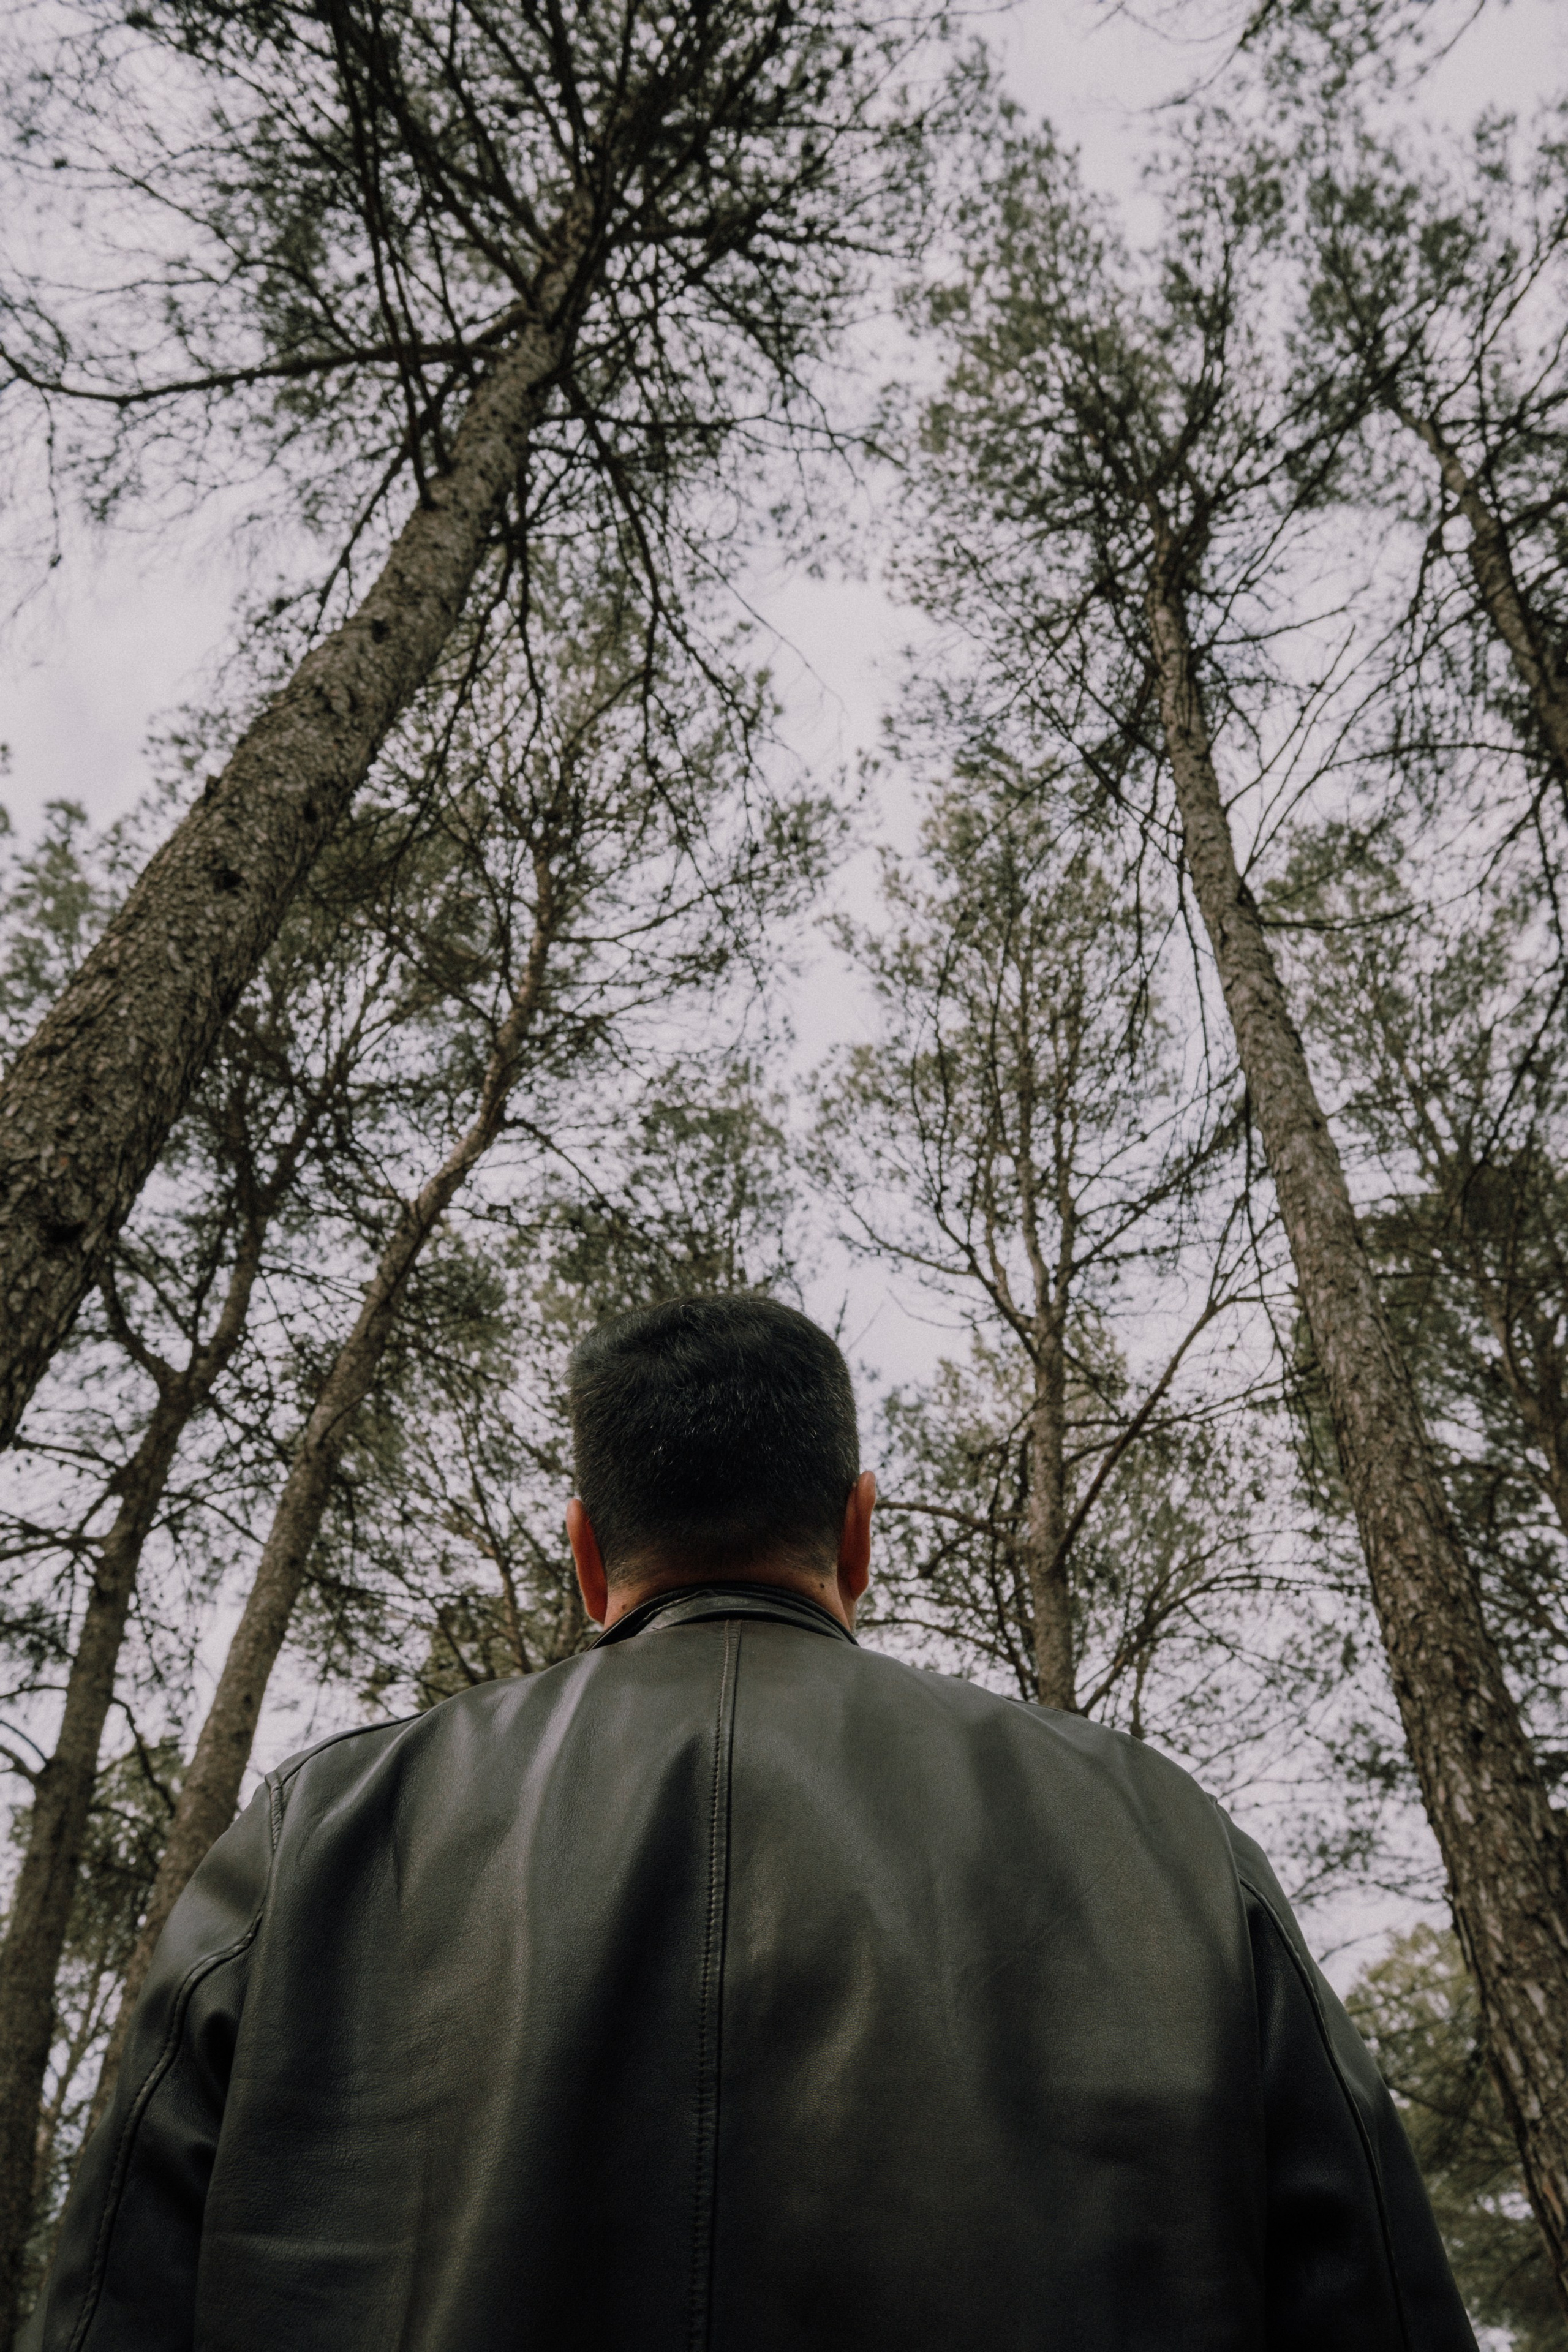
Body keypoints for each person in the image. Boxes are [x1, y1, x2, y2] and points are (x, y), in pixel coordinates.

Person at [27, 1294, 1476, 2351]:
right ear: (857, 1533)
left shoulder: (322, 1830)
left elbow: (110, 2310)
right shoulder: (1154, 1829)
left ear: (589, 1553)